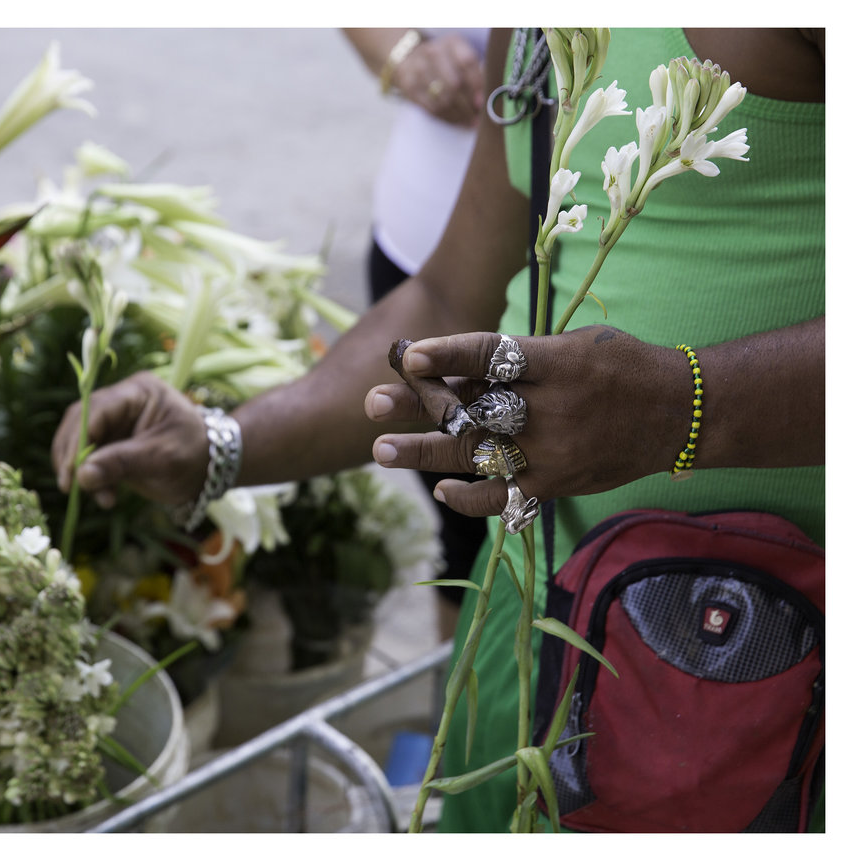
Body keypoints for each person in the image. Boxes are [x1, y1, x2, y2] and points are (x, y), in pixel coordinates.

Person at [52, 28, 821, 831]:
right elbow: (453, 300)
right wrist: (223, 443)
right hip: (520, 613)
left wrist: (679, 405)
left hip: (754, 666)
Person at [342, 27, 491, 635]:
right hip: (419, 251)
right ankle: (456, 723)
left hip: (581, 276)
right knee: (462, 523)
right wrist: (403, 52)